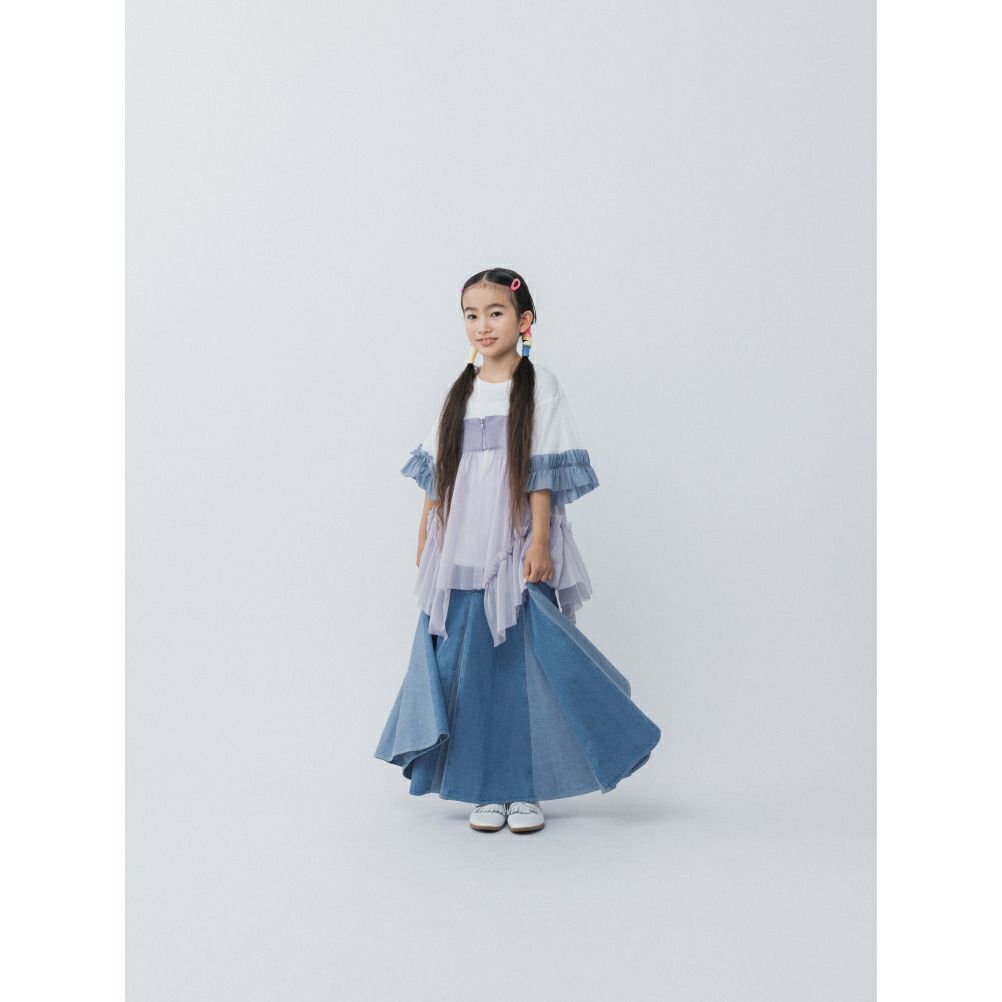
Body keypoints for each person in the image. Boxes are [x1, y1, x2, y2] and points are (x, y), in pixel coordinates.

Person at [373, 267, 662, 834]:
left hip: (513, 546)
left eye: (496, 313)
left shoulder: (539, 386)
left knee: (526, 662)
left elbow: (541, 473)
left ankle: (523, 787)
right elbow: (439, 471)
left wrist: (540, 540)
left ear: (524, 320)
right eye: (471, 315)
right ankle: (485, 787)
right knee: (467, 662)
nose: (483, 325)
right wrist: (426, 530)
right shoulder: (460, 391)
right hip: (462, 546)